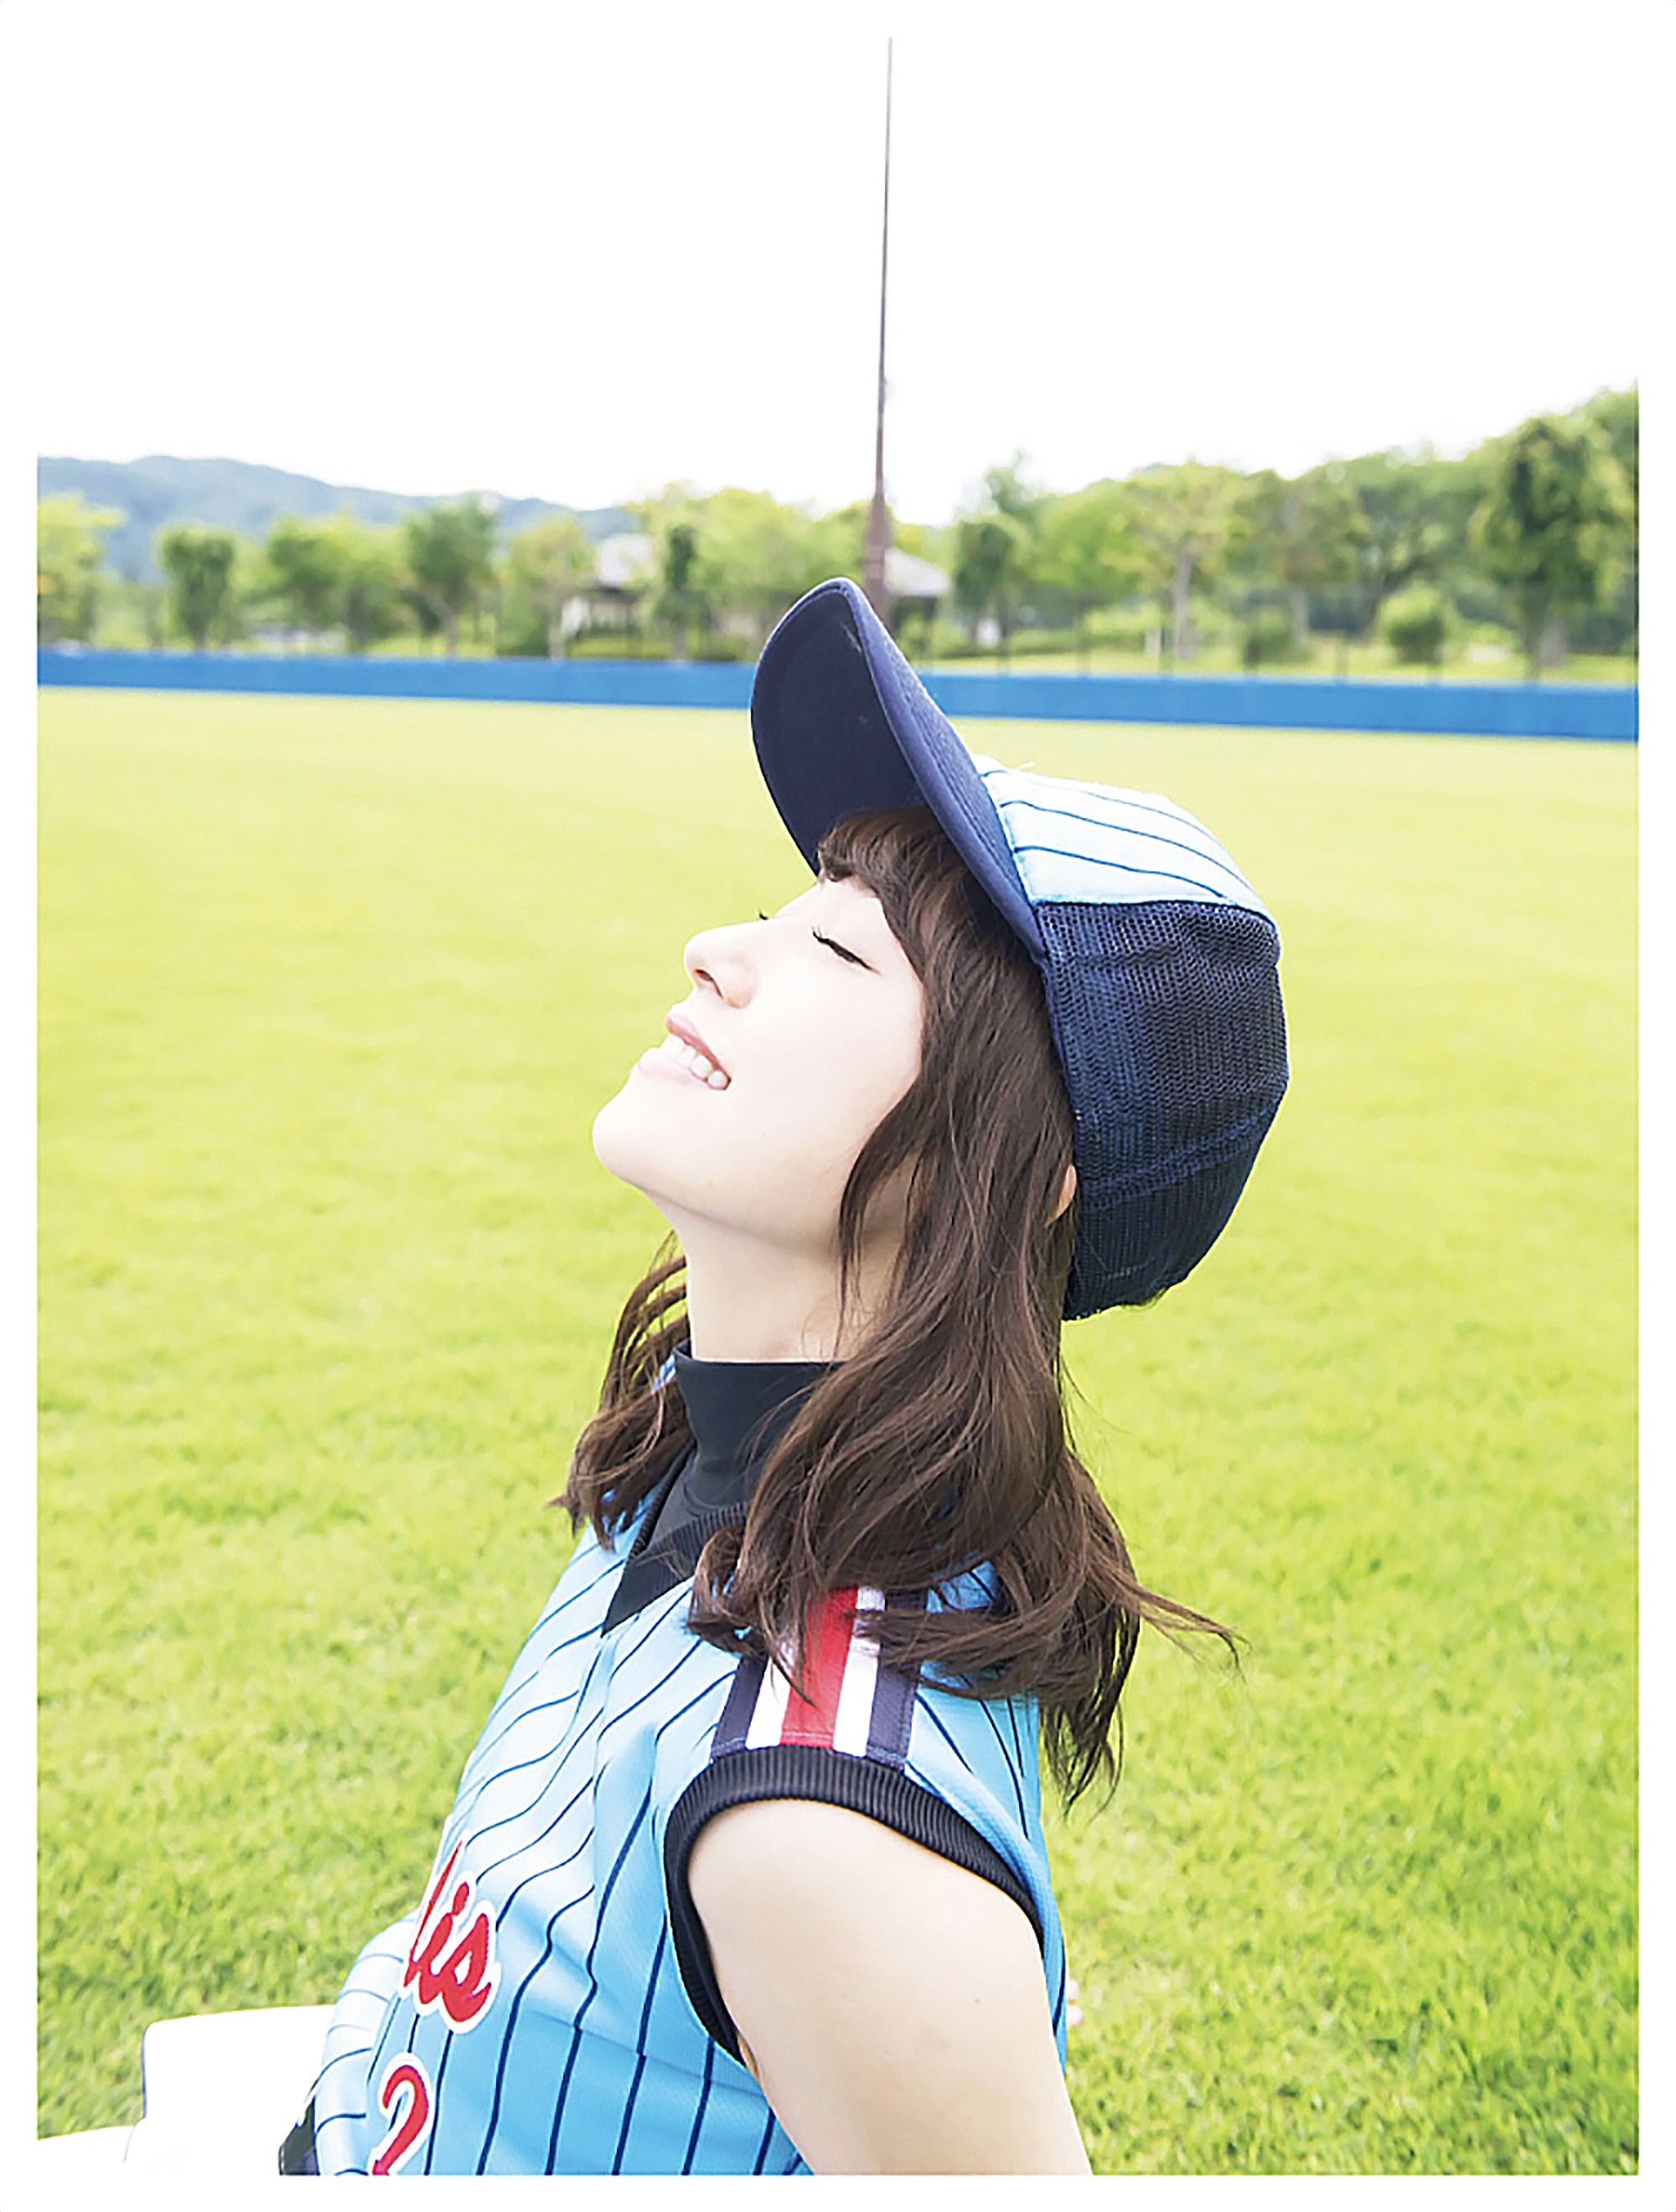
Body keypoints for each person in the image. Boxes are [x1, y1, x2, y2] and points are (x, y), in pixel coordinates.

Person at [278, 577, 1288, 2176]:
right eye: (790, 903)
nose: (717, 950)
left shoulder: (822, 1831)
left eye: (837, 947)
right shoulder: (727, 1445)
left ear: (1016, 1169)